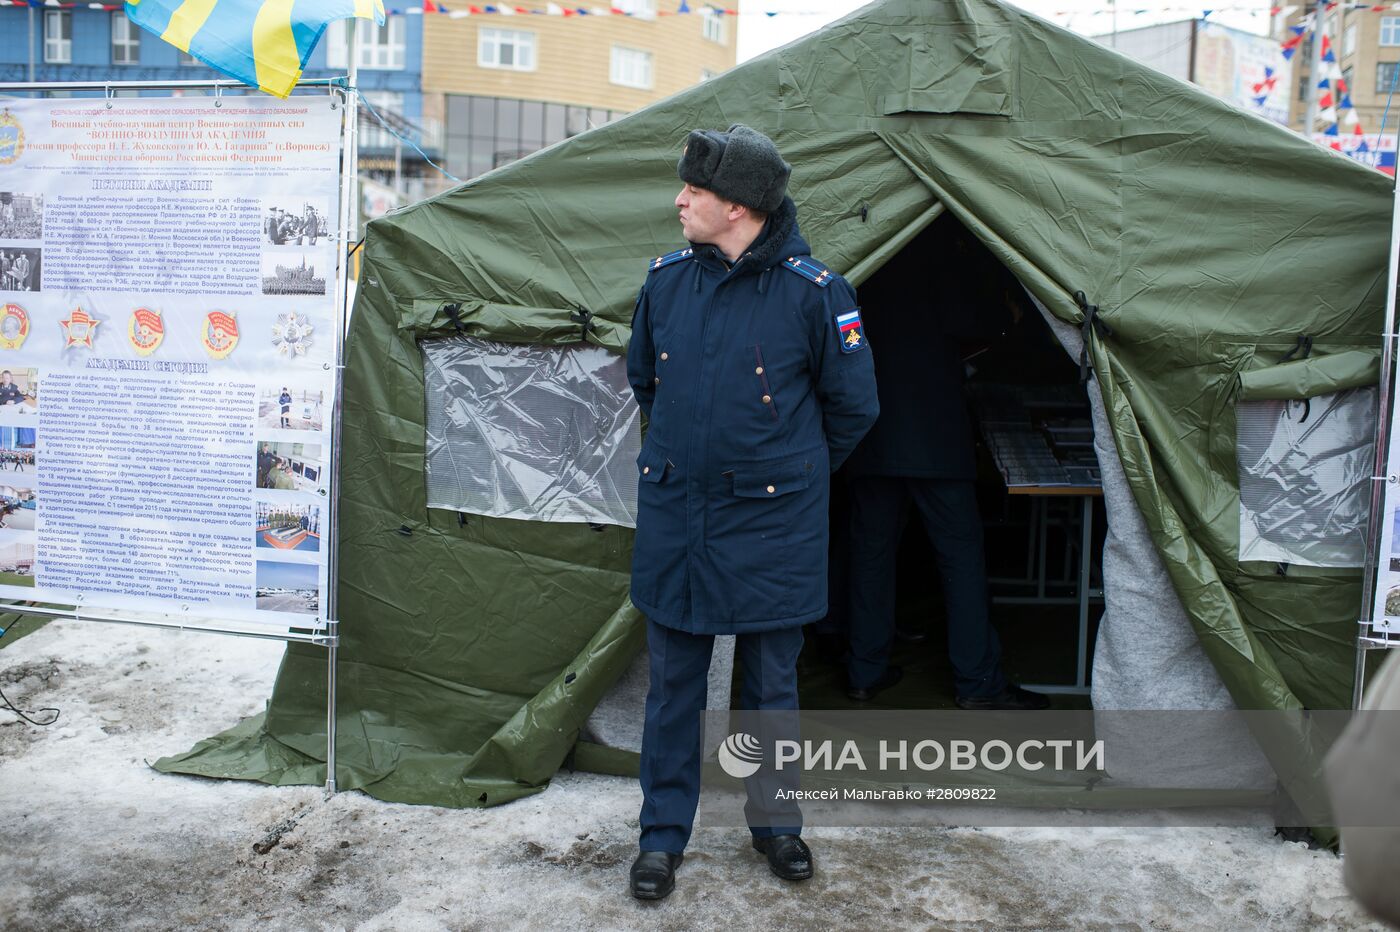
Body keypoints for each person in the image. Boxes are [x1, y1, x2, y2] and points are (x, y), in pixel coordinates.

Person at [625, 124, 878, 900]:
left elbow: (854, 408)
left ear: (737, 207)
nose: (680, 200)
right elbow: (646, 383)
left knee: (771, 685)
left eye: (693, 191)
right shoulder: (665, 282)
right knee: (674, 686)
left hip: (775, 524)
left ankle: (778, 828)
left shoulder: (817, 294)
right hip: (679, 517)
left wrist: (791, 477)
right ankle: (661, 839)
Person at [840, 222, 1049, 710]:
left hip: (872, 434)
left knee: (870, 556)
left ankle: (863, 673)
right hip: (935, 437)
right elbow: (983, 323)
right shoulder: (947, 259)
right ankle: (977, 682)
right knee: (960, 559)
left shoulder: (862, 257)